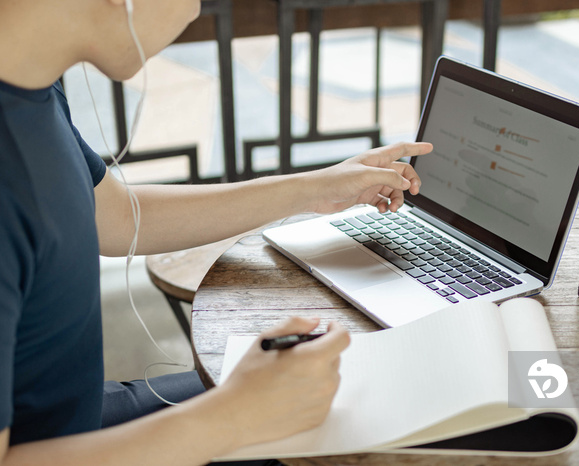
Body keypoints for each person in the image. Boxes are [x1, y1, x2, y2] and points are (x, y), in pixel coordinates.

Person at [0, 0, 432, 464]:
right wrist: (233, 417)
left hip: (80, 425)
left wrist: (316, 188)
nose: (193, 14)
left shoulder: (33, 83)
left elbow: (118, 217)